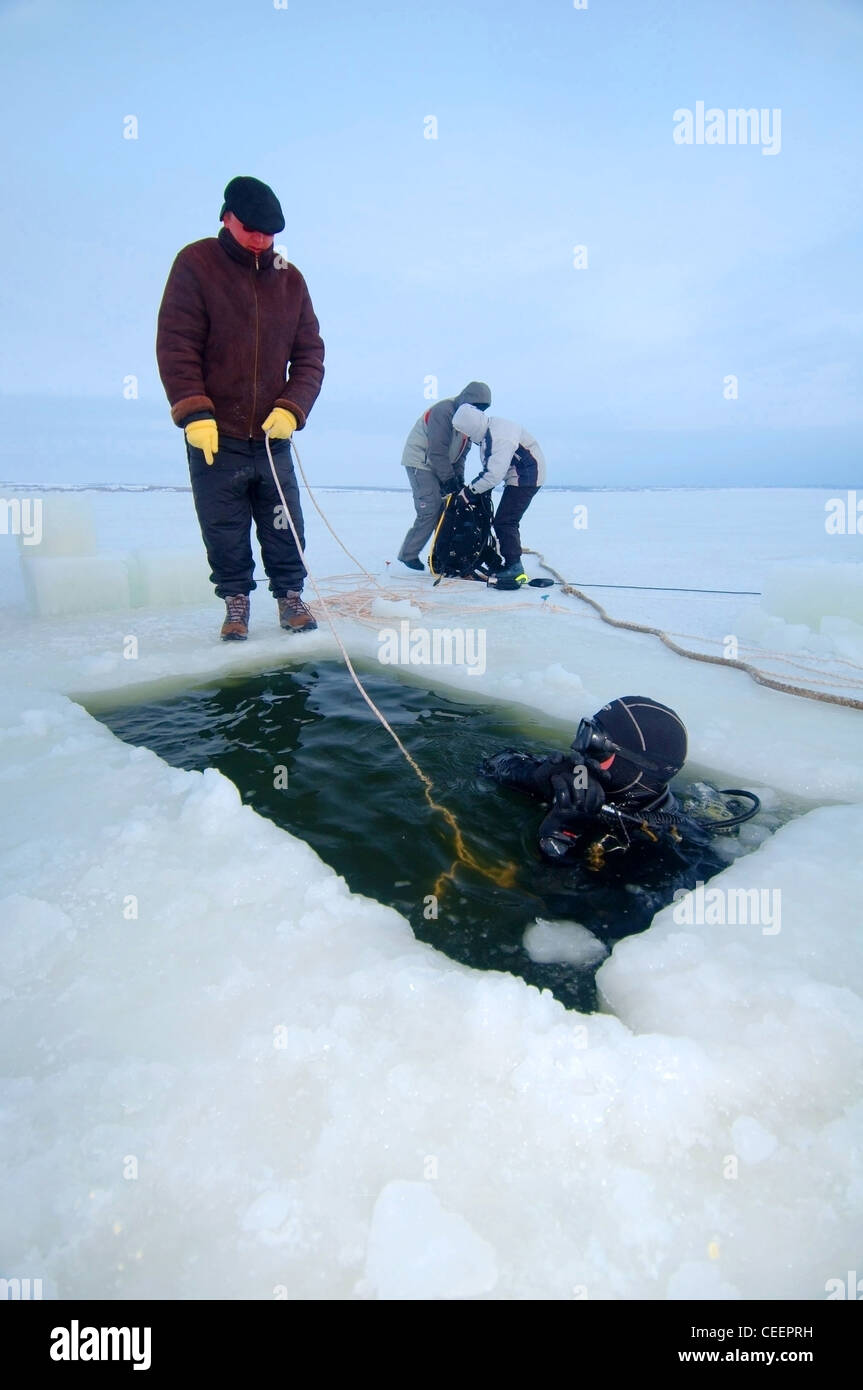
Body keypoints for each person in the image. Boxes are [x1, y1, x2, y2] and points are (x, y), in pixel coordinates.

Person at [156, 175, 325, 641]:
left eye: (271, 233)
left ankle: (290, 596)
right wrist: (193, 412)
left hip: (272, 436)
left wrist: (292, 407)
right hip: (216, 435)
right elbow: (177, 345)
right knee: (224, 525)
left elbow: (310, 354)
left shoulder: (290, 279)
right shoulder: (196, 264)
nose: (262, 240)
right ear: (226, 216)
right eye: (253, 229)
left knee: (283, 521)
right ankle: (236, 602)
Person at [481, 695, 759, 870]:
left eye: (594, 745)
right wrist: (537, 776)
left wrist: (559, 838)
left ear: (636, 767)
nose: (578, 749)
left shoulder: (655, 846)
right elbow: (493, 764)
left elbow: (564, 915)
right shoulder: (576, 778)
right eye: (584, 733)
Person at [397, 381, 492, 571]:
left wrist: (458, 480)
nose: (477, 411)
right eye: (476, 406)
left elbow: (460, 456)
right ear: (467, 400)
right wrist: (448, 479)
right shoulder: (444, 411)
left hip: (441, 465)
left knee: (447, 510)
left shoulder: (468, 421)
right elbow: (437, 451)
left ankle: (442, 554)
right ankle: (408, 554)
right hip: (421, 463)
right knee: (430, 508)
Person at [451, 404, 545, 587]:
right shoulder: (489, 430)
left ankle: (515, 568)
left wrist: (469, 492)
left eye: (464, 432)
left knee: (505, 521)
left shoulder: (498, 436)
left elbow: (493, 474)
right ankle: (507, 561)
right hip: (520, 475)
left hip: (527, 477)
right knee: (503, 520)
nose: (465, 436)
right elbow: (492, 469)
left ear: (470, 426)